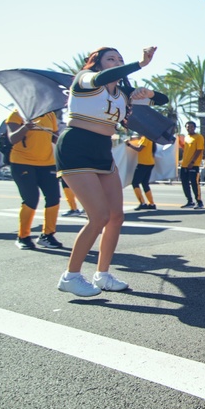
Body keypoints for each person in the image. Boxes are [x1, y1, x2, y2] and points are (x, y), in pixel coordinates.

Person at [55, 45, 157, 296]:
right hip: (76, 147)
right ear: (97, 63)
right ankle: (71, 276)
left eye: (119, 59)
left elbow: (160, 100)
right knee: (98, 216)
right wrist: (139, 63)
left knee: (116, 216)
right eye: (110, 59)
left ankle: (102, 274)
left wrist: (149, 92)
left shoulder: (123, 94)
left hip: (102, 150)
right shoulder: (85, 80)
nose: (116, 62)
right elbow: (100, 78)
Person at [6, 108, 63, 250]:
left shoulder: (50, 115)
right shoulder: (17, 114)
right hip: (22, 162)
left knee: (54, 198)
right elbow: (12, 138)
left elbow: (54, 137)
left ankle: (47, 235)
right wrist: (25, 127)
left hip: (47, 163)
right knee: (31, 199)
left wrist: (65, 139)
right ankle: (23, 236)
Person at [126, 134, 157, 210]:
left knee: (135, 182)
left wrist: (129, 144)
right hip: (149, 163)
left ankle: (142, 203)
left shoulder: (145, 138)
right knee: (145, 183)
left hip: (144, 163)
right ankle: (152, 203)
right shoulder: (149, 138)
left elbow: (139, 149)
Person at [179, 121, 204, 209]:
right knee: (184, 183)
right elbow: (186, 148)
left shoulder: (198, 137)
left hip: (193, 164)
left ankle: (199, 202)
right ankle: (189, 201)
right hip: (184, 164)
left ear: (194, 127)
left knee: (194, 183)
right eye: (187, 127)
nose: (189, 128)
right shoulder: (186, 137)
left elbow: (199, 150)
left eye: (191, 126)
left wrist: (192, 162)